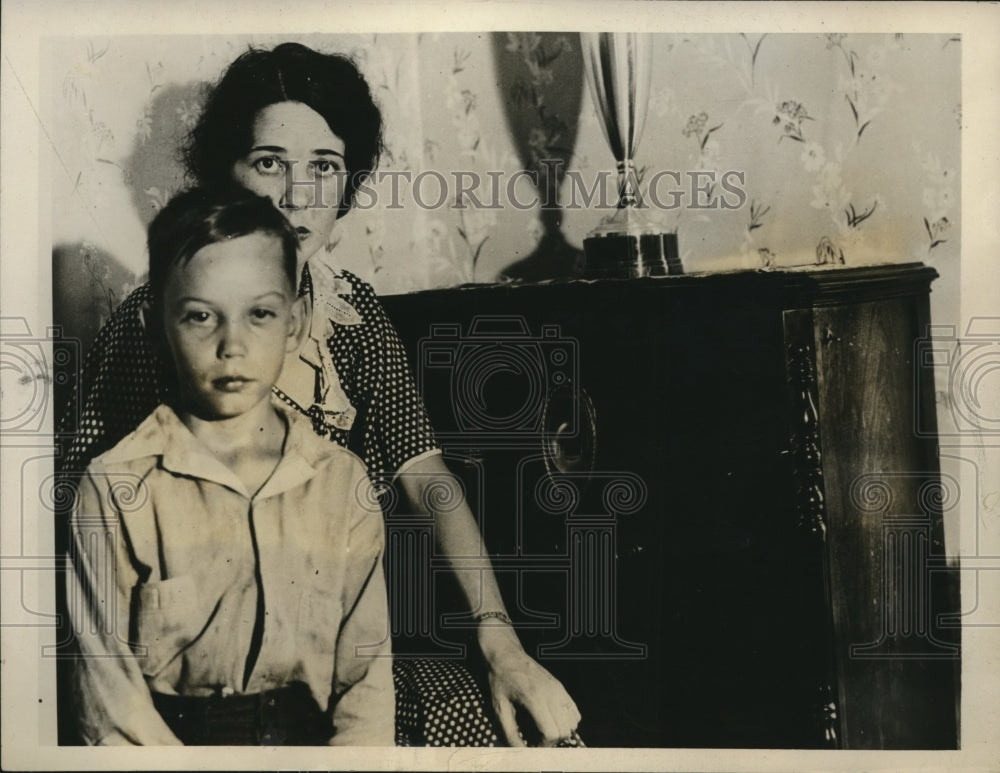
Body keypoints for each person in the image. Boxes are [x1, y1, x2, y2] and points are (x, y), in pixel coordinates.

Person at [58, 41, 581, 746]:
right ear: (226, 172)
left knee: (483, 718)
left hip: (328, 648)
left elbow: (426, 477)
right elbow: (86, 492)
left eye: (324, 168)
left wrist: (502, 640)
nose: (298, 195)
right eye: (270, 162)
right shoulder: (159, 317)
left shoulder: (354, 316)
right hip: (181, 665)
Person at [67, 187, 394, 746]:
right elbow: (111, 707)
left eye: (260, 314)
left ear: (295, 322)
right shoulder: (114, 487)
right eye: (199, 317)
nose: (231, 346)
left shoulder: (341, 483)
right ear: (154, 326)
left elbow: (365, 688)